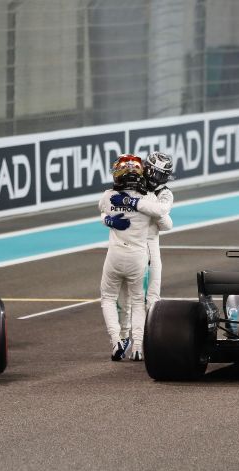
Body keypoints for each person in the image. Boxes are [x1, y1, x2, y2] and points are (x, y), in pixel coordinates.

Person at [98, 154, 171, 362]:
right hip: (140, 255)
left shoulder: (109, 195)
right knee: (136, 301)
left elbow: (165, 221)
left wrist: (123, 208)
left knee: (131, 300)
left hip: (123, 253)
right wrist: (114, 217)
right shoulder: (149, 199)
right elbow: (164, 221)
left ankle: (119, 341)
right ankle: (136, 345)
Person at [116, 152, 175, 352]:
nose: (159, 178)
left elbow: (166, 222)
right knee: (124, 299)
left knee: (152, 299)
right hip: (128, 245)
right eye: (156, 173)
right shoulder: (131, 183)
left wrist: (138, 204)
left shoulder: (165, 193)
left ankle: (146, 343)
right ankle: (123, 339)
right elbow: (112, 205)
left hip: (151, 248)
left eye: (162, 175)